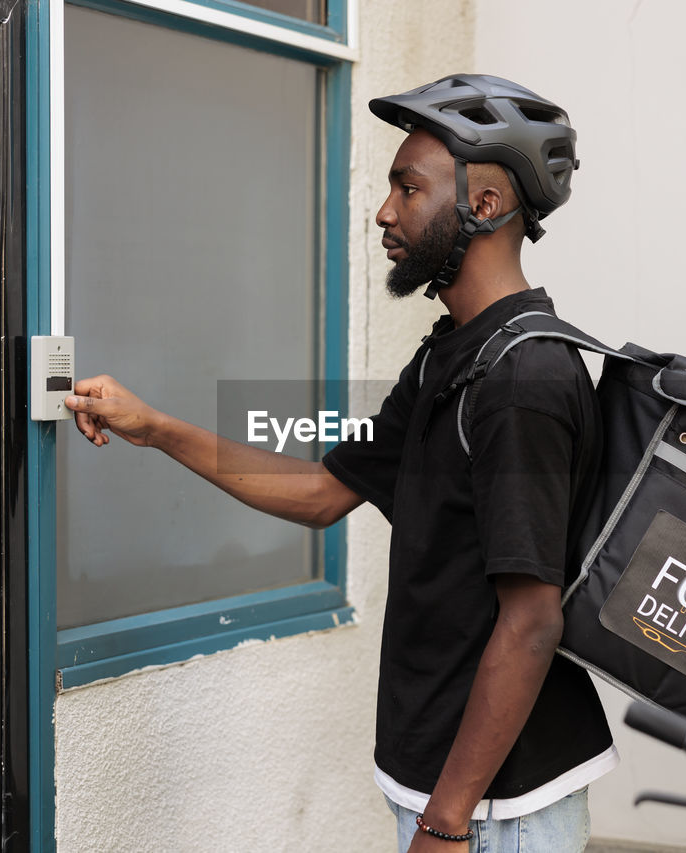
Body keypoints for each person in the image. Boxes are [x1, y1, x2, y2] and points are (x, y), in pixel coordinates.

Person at [65, 74, 617, 852]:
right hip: (446, 784)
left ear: (485, 206)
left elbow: (531, 621)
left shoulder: (521, 379)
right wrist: (155, 427)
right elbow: (325, 491)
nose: (386, 211)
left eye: (408, 187)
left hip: (499, 808)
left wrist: (447, 821)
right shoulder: (450, 357)